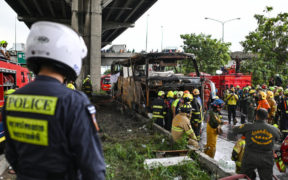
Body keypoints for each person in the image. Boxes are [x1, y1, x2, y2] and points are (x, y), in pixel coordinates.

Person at [2, 21, 105, 180]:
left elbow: (10, 152)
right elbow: (92, 167)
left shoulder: (11, 100)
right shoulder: (74, 102)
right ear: (69, 53)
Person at [233, 108, 281, 180]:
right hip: (266, 159)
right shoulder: (274, 129)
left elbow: (235, 130)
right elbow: (279, 136)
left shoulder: (248, 126)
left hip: (249, 157)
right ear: (266, 117)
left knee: (244, 177)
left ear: (256, 116)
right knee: (266, 178)